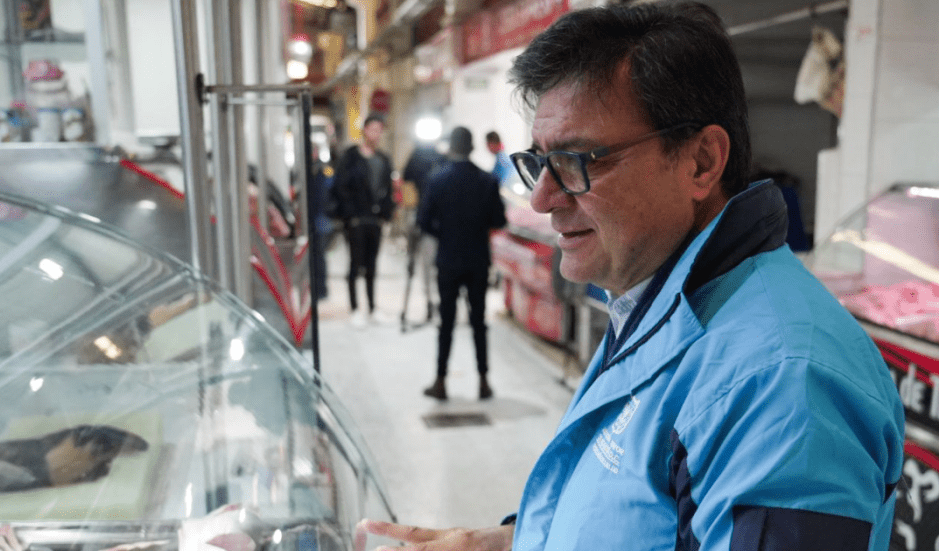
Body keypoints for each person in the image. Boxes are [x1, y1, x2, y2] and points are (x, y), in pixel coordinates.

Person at [362, 3, 904, 550]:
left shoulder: (781, 384)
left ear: (700, 161)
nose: (543, 198)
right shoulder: (662, 299)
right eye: (539, 163)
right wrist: (507, 542)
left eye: (578, 160)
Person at [418, 126, 506, 401]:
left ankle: (441, 381)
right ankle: (483, 381)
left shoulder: (437, 180)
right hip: (478, 259)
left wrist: (444, 232)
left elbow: (423, 221)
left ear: (453, 147)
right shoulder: (487, 180)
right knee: (479, 322)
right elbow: (499, 220)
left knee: (446, 322)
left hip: (448, 260)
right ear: (471, 148)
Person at [332, 113, 395, 327]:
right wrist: (349, 214)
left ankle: (372, 307)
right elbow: (341, 186)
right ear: (365, 130)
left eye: (379, 130)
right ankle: (355, 308)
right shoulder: (351, 157)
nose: (376, 134)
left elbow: (388, 190)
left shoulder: (384, 159)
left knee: (372, 265)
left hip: (375, 220)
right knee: (354, 264)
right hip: (356, 219)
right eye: (372, 129)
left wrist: (386, 213)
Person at [401, 138, 445, 324]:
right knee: (427, 263)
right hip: (425, 220)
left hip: (444, 220)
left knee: (442, 266)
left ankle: (441, 302)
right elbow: (406, 176)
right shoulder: (417, 157)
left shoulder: (443, 158)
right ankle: (430, 301)